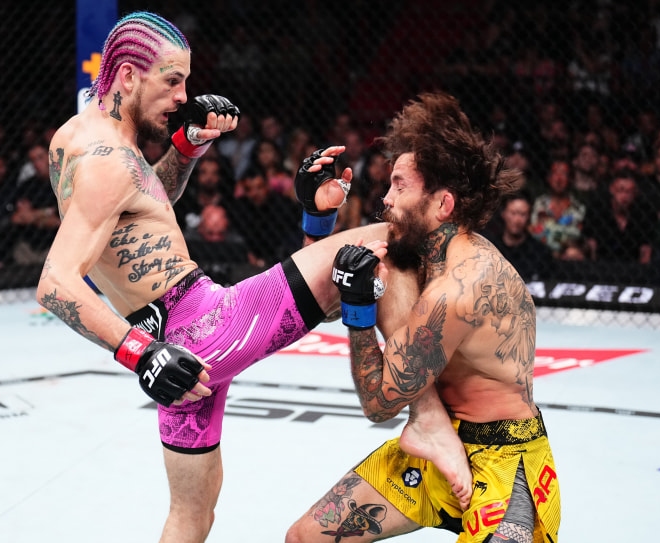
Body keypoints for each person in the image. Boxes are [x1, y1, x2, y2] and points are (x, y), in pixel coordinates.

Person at [35, 11, 397, 542]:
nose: (183, 96)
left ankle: (316, 221)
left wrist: (186, 148)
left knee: (193, 513)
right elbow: (55, 283)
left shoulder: (78, 138)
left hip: (177, 346)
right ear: (129, 76)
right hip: (202, 325)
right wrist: (141, 353)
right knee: (384, 239)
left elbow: (142, 207)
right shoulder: (106, 161)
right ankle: (440, 413)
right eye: (171, 81)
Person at [287, 92, 560, 542]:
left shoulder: (459, 289)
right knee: (304, 538)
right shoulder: (417, 249)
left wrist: (360, 312)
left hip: (502, 462)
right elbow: (320, 296)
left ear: (443, 204)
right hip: (437, 444)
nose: (386, 198)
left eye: (399, 186)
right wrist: (318, 218)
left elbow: (379, 404)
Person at [484, 191, 553, 282]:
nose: (517, 220)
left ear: (529, 217)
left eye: (522, 214)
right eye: (513, 213)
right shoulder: (491, 249)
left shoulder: (540, 252)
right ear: (503, 214)